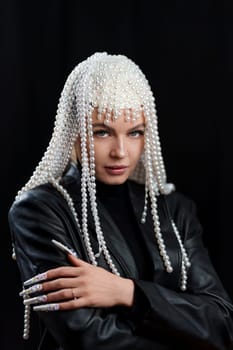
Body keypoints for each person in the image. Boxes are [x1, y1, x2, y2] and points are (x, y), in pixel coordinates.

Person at [8, 52, 233, 350]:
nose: (121, 152)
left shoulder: (175, 209)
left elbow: (220, 323)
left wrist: (126, 292)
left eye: (135, 132)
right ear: (74, 132)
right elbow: (84, 337)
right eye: (102, 132)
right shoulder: (38, 211)